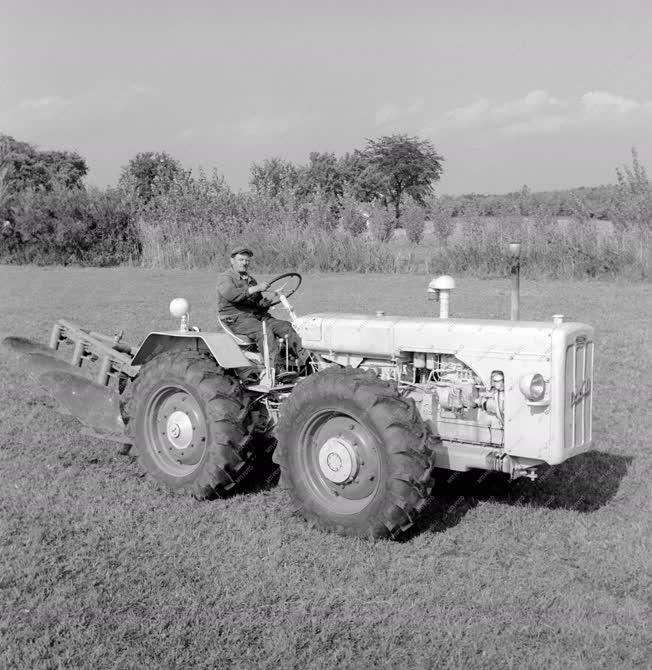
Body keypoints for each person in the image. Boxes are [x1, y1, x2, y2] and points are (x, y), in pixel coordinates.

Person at [216, 246, 304, 372]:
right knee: (264, 331)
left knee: (285, 326)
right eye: (241, 260)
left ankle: (306, 360)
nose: (245, 263)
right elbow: (232, 294)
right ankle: (276, 369)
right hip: (235, 317)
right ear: (232, 261)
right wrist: (257, 288)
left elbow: (258, 304)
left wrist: (269, 300)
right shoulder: (225, 278)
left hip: (255, 316)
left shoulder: (251, 280)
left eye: (247, 260)